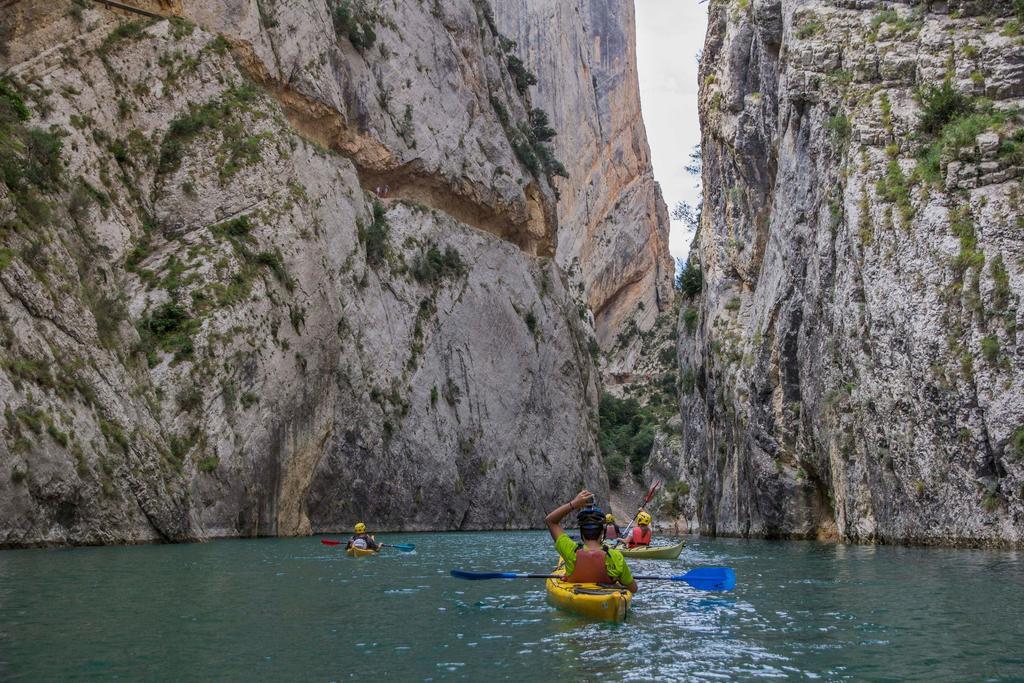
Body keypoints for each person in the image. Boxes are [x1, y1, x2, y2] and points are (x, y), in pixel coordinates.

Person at [544, 489, 638, 593]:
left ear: (581, 532)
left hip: (577, 597)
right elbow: (633, 589)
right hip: (607, 600)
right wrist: (618, 580)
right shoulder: (616, 557)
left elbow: (550, 521)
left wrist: (573, 504)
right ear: (602, 532)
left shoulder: (570, 550)